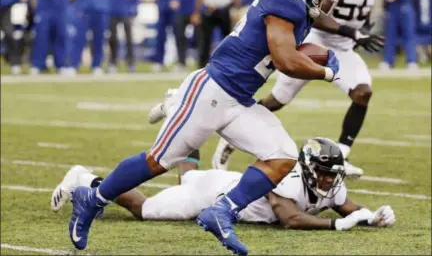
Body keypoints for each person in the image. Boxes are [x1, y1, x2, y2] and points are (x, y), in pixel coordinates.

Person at [66, 0, 349, 255]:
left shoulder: (296, 8)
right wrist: (327, 71)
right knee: (159, 161)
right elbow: (284, 59)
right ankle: (92, 198)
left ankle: (222, 211)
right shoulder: (287, 0)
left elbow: (289, 48)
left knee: (281, 155)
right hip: (213, 90)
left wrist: (325, 47)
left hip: (238, 98)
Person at [212, 0, 387, 179]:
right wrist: (352, 31)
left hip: (345, 47)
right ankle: (229, 139)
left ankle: (343, 155)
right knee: (279, 99)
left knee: (362, 92)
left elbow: (362, 1)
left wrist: (361, 26)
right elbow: (316, 10)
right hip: (315, 39)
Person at [52, 138, 395, 231]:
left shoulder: (330, 182)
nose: (327, 180)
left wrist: (372, 216)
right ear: (305, 168)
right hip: (212, 194)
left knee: (188, 175)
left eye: (331, 174)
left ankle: (179, 113)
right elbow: (290, 218)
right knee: (146, 210)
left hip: (222, 182)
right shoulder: (286, 180)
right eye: (322, 172)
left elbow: (350, 208)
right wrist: (335, 225)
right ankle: (86, 179)